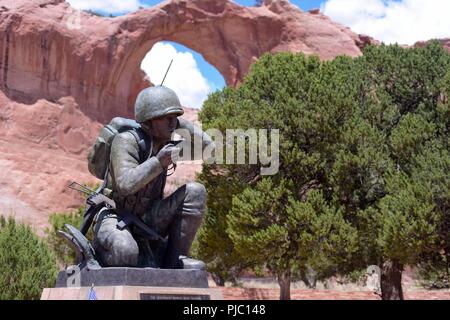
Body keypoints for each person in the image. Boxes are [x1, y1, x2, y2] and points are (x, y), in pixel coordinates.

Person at [92, 86, 213, 269]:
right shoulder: (126, 141)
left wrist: (180, 123)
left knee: (195, 191)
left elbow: (208, 149)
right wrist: (158, 162)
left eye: (175, 118)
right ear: (149, 121)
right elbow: (125, 184)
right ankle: (103, 253)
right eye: (167, 119)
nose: (172, 124)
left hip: (150, 216)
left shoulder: (167, 144)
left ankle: (175, 260)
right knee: (125, 253)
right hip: (116, 214)